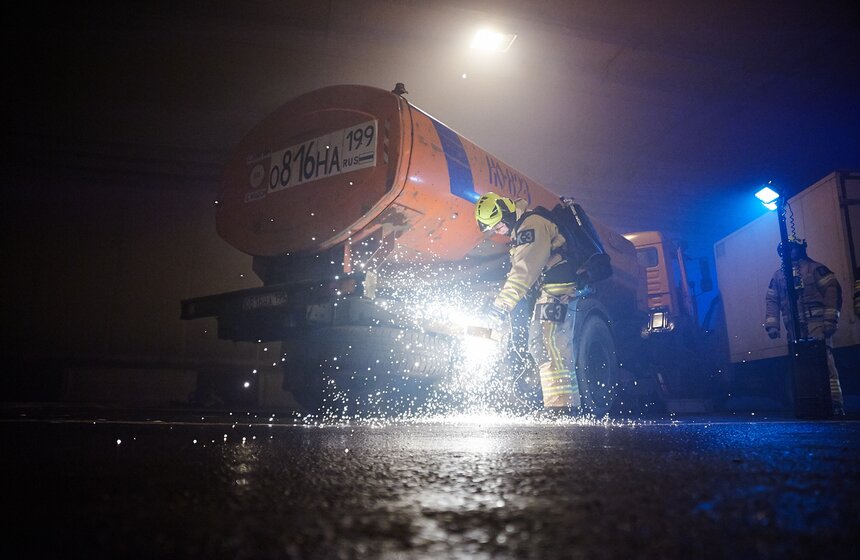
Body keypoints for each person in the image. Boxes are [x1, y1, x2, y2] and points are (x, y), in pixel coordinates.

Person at [475, 192, 586, 416]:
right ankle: (559, 404)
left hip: (557, 288)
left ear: (506, 216)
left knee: (549, 344)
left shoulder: (531, 226)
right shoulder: (523, 229)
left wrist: (501, 306)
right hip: (552, 287)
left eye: (498, 227)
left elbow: (524, 272)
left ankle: (562, 407)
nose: (498, 233)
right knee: (542, 343)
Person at [764, 239, 844, 416]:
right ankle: (807, 404)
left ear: (800, 249)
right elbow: (772, 300)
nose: (789, 252)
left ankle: (834, 404)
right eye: (786, 249)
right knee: (799, 367)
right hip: (793, 329)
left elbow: (832, 291)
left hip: (816, 324)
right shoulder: (778, 276)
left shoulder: (815, 269)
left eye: (793, 248)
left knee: (824, 363)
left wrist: (830, 321)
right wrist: (772, 326)